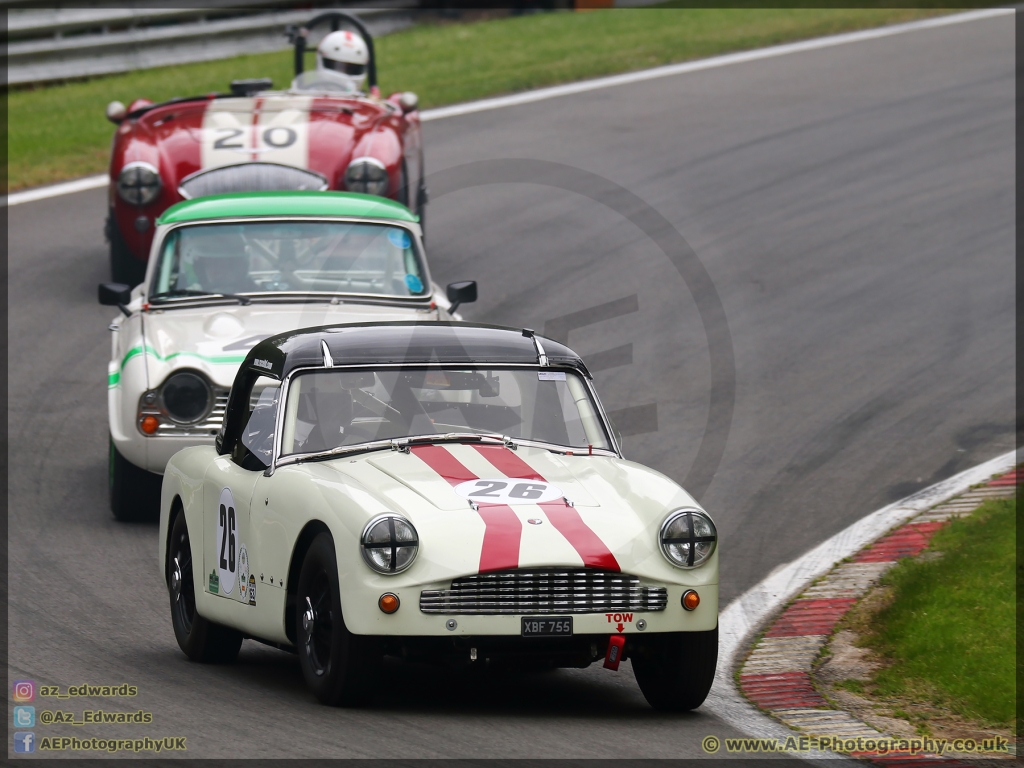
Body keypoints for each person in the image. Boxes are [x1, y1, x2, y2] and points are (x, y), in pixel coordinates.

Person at [291, 29, 368, 94]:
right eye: (338, 66)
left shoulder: (365, 104)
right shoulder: (307, 93)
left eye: (351, 69)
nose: (343, 73)